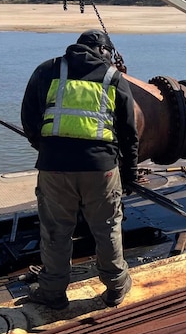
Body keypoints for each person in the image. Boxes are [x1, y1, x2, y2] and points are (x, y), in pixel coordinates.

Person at [21, 29, 140, 310]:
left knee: (55, 230)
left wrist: (48, 149)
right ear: (105, 52)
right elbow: (129, 132)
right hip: (101, 169)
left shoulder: (48, 70)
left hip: (54, 168)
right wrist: (130, 171)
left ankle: (53, 293)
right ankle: (115, 288)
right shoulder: (114, 78)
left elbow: (29, 115)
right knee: (107, 227)